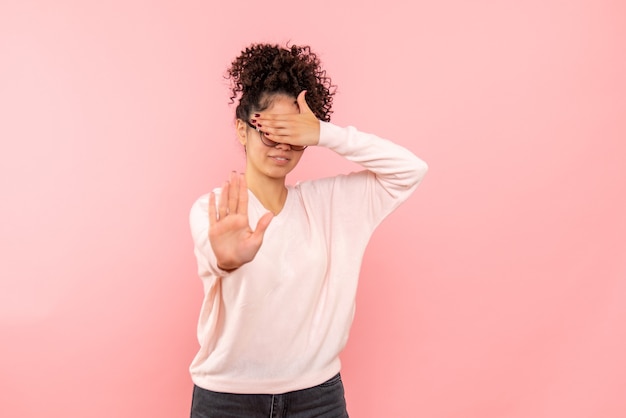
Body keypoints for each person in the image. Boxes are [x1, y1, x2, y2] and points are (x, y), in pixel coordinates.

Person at [189, 43, 428, 418]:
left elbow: (410, 169)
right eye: (270, 131)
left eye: (294, 135)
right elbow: (216, 253)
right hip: (227, 399)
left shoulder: (333, 205)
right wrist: (227, 259)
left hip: (317, 398)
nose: (282, 145)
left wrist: (324, 133)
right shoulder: (216, 210)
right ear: (242, 129)